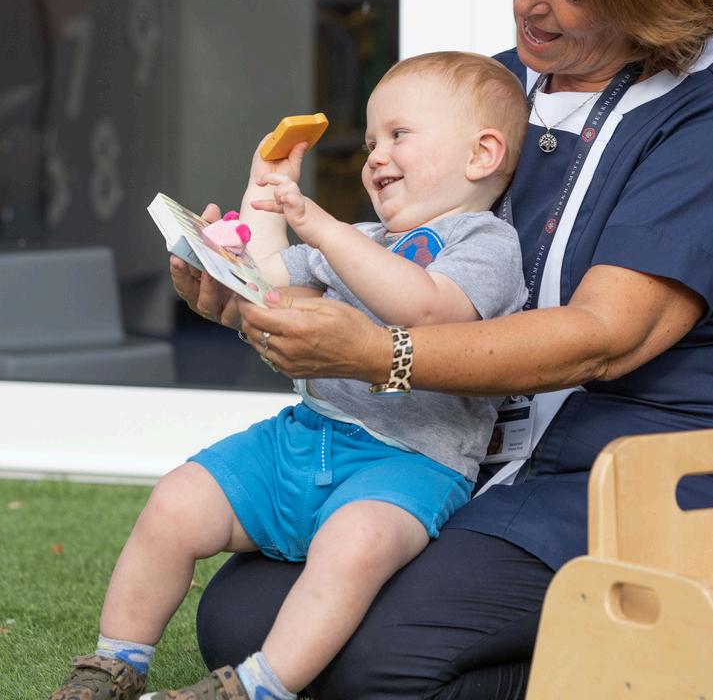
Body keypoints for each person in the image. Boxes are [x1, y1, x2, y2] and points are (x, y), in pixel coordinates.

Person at [174, 0, 713, 700]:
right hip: (461, 461)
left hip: (632, 482)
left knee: (371, 662)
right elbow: (398, 269)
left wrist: (383, 356)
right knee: (241, 617)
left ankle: (668, 670)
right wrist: (252, 290)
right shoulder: (493, 91)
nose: (529, 0)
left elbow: (604, 337)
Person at [50, 51, 530, 700]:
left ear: (482, 155)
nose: (375, 157)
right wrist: (260, 204)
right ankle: (113, 664)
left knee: (353, 546)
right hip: (303, 439)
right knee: (176, 500)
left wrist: (323, 228)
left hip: (409, 466)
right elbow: (269, 280)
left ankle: (256, 688)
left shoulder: (487, 244)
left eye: (399, 135)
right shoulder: (364, 238)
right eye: (370, 143)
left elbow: (425, 309)